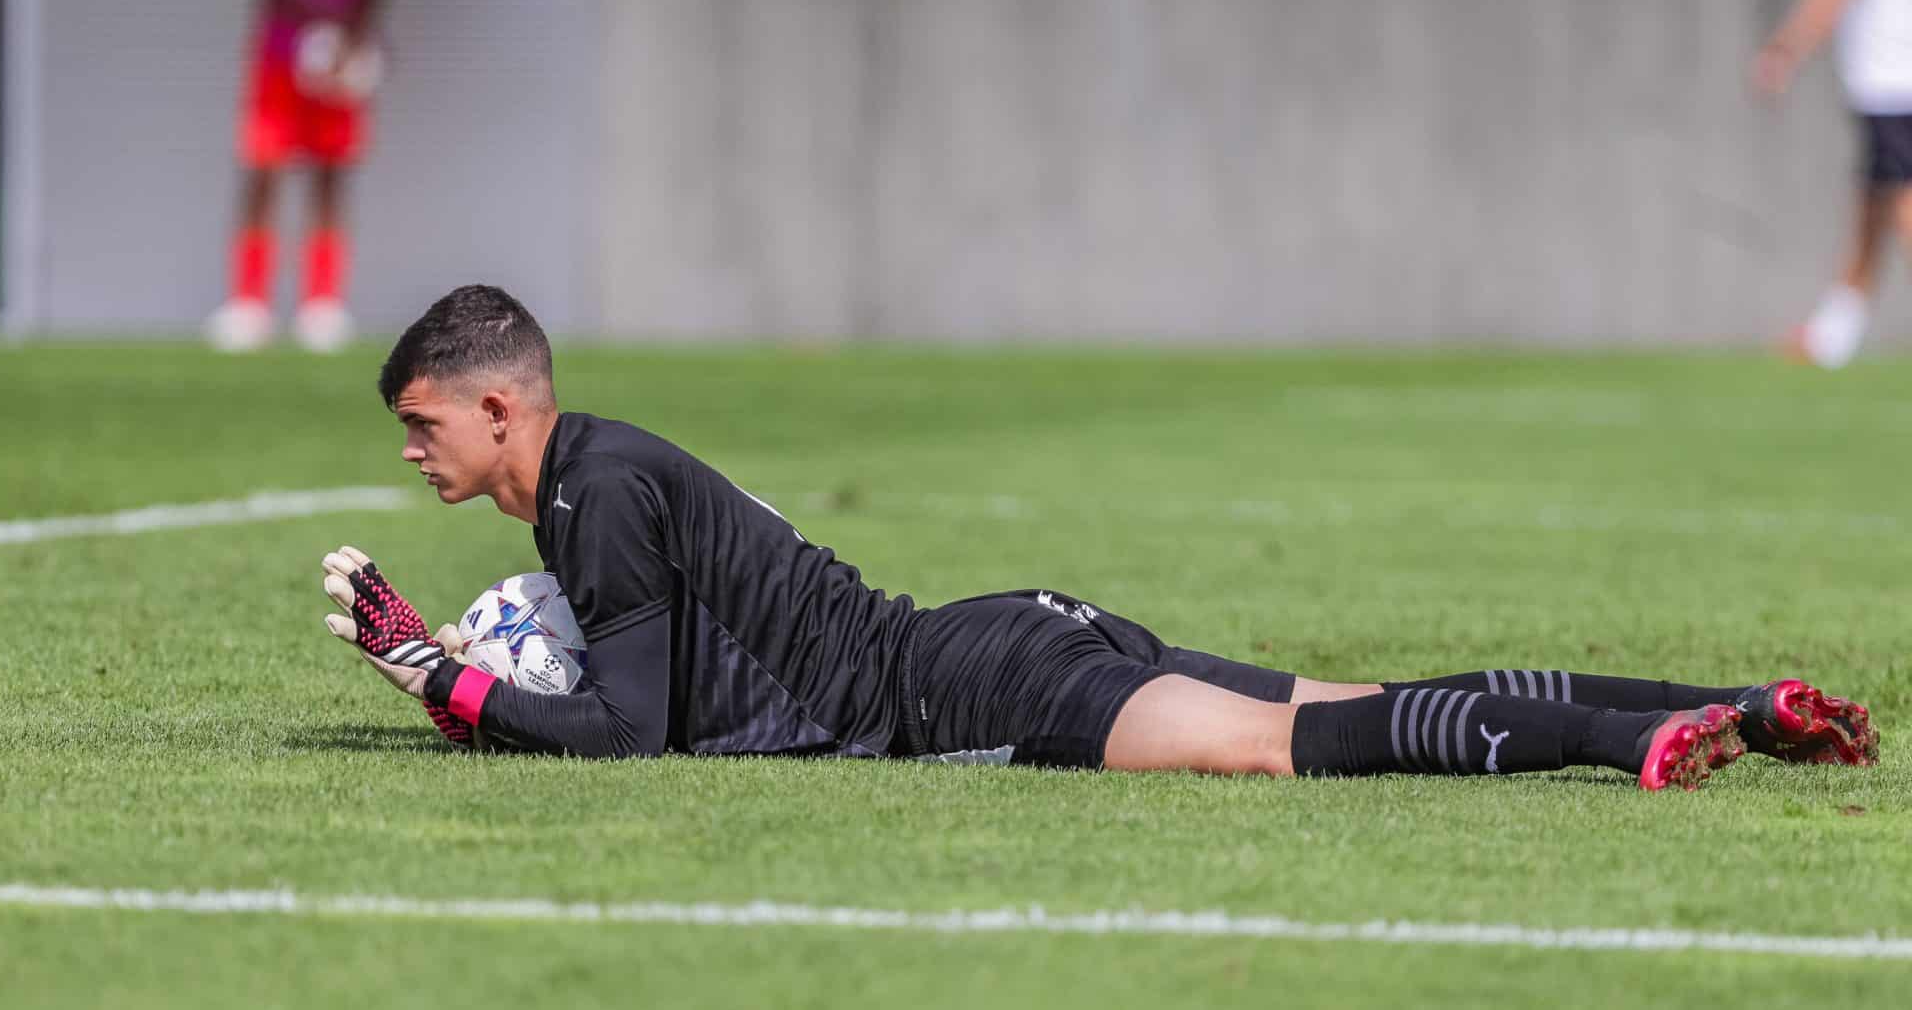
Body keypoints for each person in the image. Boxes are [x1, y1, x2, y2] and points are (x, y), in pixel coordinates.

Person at [320, 285, 1879, 789]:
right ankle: (1735, 705)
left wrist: (442, 680)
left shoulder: (593, 494)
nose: (413, 451)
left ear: (503, 407)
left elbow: (624, 732)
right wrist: (476, 681)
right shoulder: (602, 472)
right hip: (1002, 633)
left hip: (970, 685)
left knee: (1290, 748)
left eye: (424, 422)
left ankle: (1632, 741)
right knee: (1349, 700)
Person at [206, 0, 393, 353]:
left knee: (330, 173)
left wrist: (352, 40)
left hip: (340, 60)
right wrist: (318, 21)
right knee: (263, 169)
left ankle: (322, 305)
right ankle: (249, 304)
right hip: (281, 56)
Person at [1755, 0, 1912, 368]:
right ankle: (1833, 334)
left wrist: (1784, 48)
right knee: (1874, 205)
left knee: (1902, 203)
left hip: (1893, 83)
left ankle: (1832, 334)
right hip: (1891, 84)